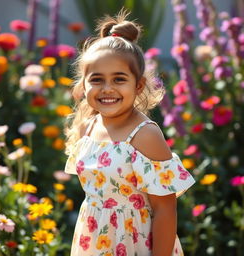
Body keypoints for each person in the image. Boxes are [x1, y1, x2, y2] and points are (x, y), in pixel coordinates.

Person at [64, 9, 195, 256]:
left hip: (136, 243)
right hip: (93, 242)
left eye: (119, 79)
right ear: (84, 84)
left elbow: (165, 209)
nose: (107, 89)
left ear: (139, 84)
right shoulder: (88, 127)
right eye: (97, 79)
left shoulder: (144, 135)